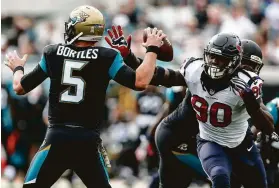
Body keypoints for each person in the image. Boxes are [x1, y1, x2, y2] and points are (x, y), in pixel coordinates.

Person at [4, 5, 167, 188]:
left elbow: (19, 87)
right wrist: (152, 50)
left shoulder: (53, 53)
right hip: (87, 140)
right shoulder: (107, 56)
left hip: (57, 138)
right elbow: (140, 82)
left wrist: (18, 67)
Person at [105, 26, 274, 188]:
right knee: (221, 176)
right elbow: (157, 78)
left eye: (252, 69)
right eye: (244, 66)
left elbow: (264, 122)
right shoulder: (198, 75)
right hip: (181, 140)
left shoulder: (246, 88)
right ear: (234, 62)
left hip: (203, 142)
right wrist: (130, 57)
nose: (247, 72)